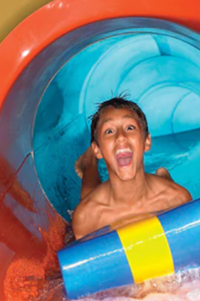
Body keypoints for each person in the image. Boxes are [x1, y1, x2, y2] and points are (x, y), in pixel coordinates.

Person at [70, 97, 192, 240]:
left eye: (129, 128)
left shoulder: (177, 199)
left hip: (161, 189)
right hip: (98, 200)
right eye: (109, 131)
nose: (121, 136)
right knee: (88, 196)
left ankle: (163, 176)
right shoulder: (85, 218)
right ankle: (89, 162)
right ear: (97, 149)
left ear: (147, 141)